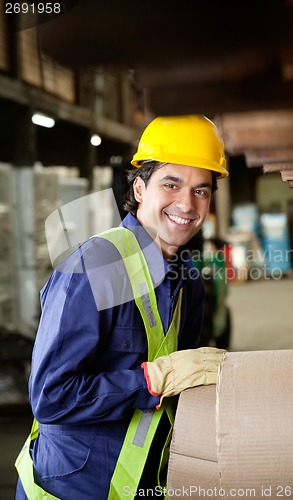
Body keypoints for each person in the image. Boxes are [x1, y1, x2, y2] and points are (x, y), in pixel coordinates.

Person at [15, 114, 229, 500]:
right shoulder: (95, 265)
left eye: (201, 190)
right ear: (140, 188)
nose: (187, 203)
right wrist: (152, 380)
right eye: (171, 184)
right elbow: (51, 397)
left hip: (144, 482)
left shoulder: (190, 279)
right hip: (73, 487)